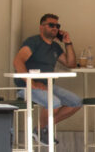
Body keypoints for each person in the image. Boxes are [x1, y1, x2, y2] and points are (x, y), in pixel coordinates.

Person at [13, 13, 82, 142]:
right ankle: (42, 131)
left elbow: (70, 63)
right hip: (27, 86)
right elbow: (18, 61)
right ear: (41, 27)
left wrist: (68, 43)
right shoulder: (33, 42)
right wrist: (32, 83)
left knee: (76, 102)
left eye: (57, 26)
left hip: (48, 85)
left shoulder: (55, 47)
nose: (55, 28)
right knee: (54, 103)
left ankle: (42, 127)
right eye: (51, 25)